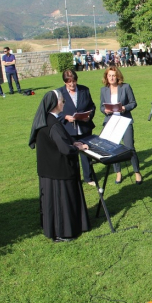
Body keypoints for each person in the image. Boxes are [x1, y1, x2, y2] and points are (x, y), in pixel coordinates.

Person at [28, 90, 91, 242]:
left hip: (48, 169)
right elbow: (64, 148)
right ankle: (63, 232)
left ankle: (53, 229)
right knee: (61, 203)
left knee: (52, 204)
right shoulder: (53, 124)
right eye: (62, 101)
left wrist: (72, 142)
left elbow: (60, 141)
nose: (64, 103)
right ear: (55, 104)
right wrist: (78, 147)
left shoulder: (46, 119)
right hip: (59, 171)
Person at [100, 66, 142, 185]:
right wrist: (105, 110)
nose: (112, 78)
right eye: (109, 76)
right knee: (113, 148)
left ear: (117, 76)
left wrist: (124, 108)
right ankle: (118, 172)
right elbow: (101, 107)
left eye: (114, 75)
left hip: (124, 120)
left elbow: (133, 103)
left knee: (129, 147)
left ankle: (137, 172)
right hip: (111, 121)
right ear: (106, 77)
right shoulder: (104, 90)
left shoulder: (125, 87)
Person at [58, 69, 96, 186]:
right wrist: (65, 117)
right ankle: (74, 178)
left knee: (86, 152)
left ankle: (88, 177)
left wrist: (88, 116)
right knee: (72, 154)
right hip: (69, 129)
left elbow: (92, 106)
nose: (72, 84)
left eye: (74, 81)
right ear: (65, 82)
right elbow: (55, 112)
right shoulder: (59, 93)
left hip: (84, 127)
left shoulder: (84, 90)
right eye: (69, 82)